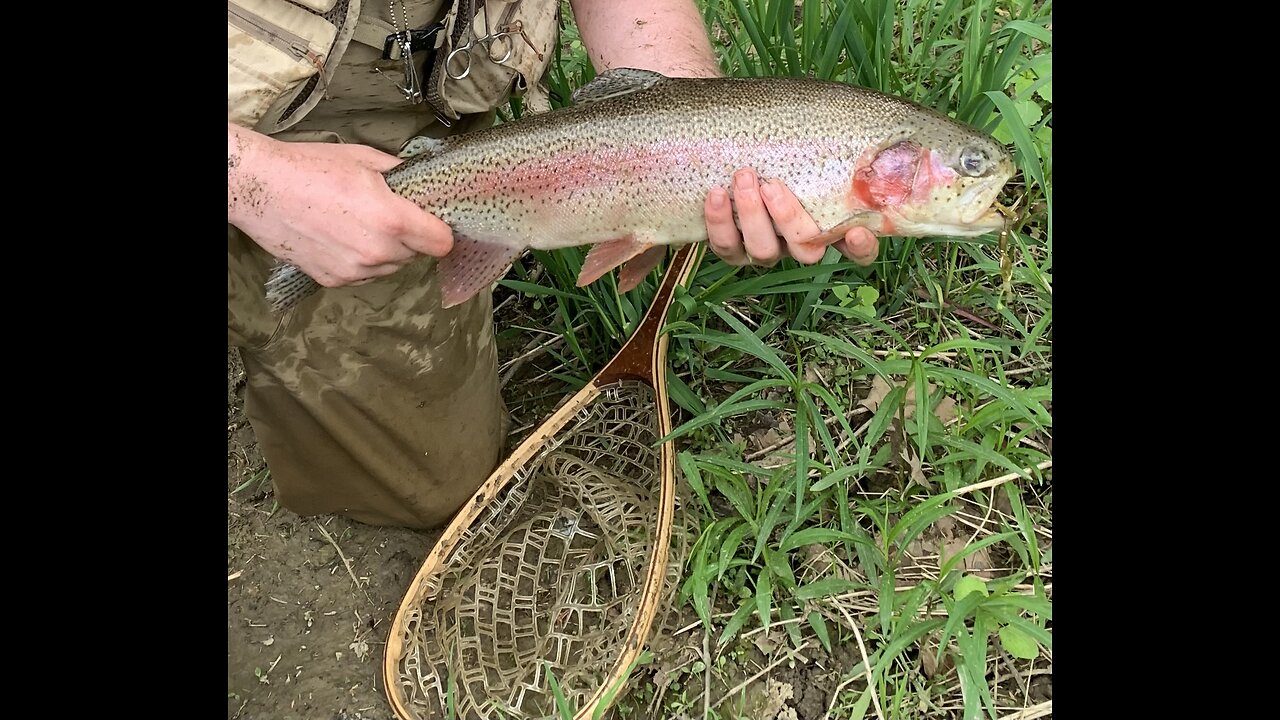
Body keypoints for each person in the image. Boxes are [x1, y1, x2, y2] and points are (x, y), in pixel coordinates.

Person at [227, 0, 880, 529]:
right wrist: (258, 183)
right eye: (968, 169)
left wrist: (691, 126)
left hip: (416, 98)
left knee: (427, 482)